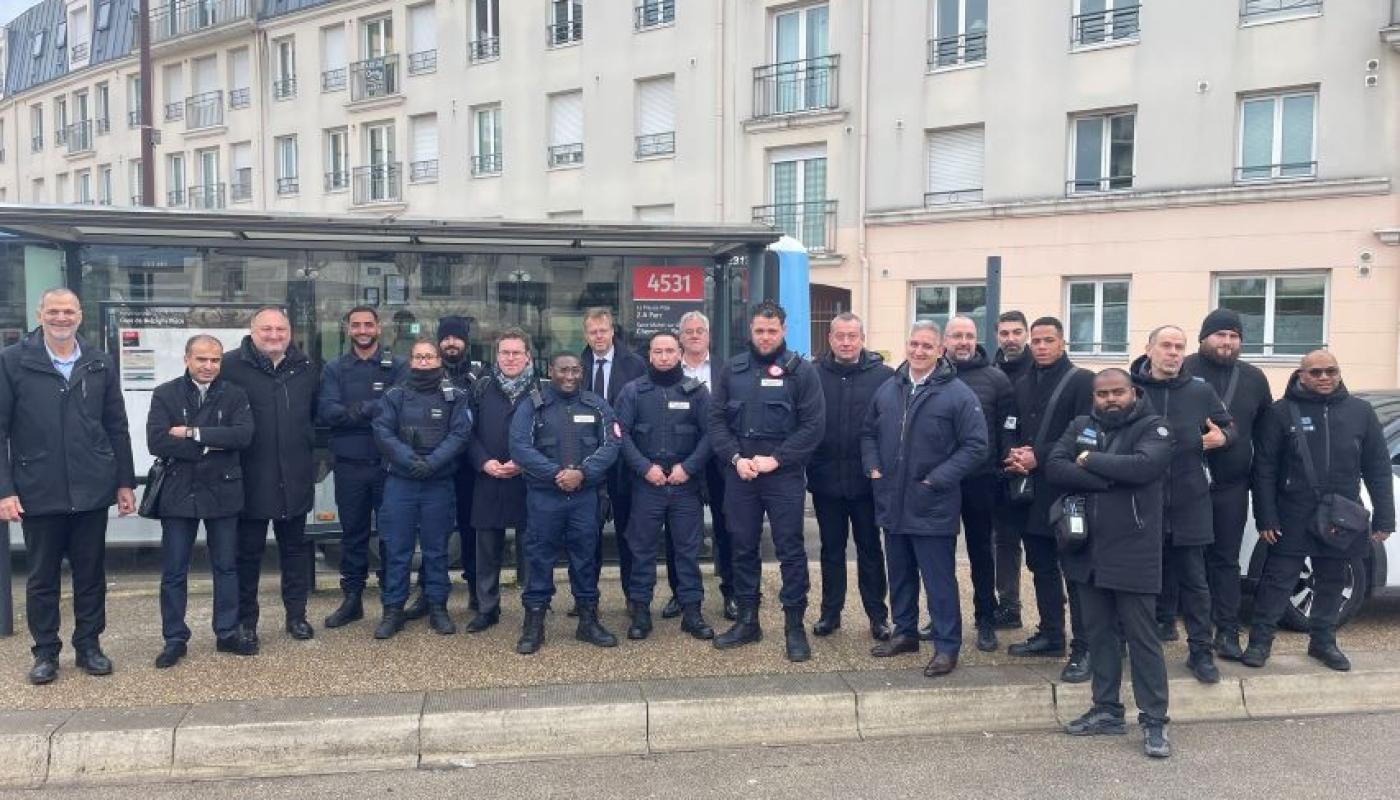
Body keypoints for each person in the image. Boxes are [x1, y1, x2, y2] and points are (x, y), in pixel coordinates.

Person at [0, 288, 136, 685]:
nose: (61, 318)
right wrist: (5, 489)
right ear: (39, 314)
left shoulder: (99, 361)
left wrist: (124, 482)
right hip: (38, 488)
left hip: (91, 488)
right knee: (42, 578)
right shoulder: (13, 361)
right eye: (54, 311)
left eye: (69, 311)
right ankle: (45, 652)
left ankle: (89, 646)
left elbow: (116, 426)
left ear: (80, 316)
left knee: (90, 575)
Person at [1045, 368, 1175, 759]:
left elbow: (1144, 467)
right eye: (1103, 394)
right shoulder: (1081, 424)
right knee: (1099, 635)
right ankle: (1106, 710)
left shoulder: (1155, 427)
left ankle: (1155, 720)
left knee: (1142, 640)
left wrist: (1087, 460)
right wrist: (1108, 479)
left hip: (1134, 550)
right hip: (1086, 550)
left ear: (1133, 392)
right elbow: (1054, 466)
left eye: (1118, 392)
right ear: (1094, 397)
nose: (1110, 399)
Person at [1245, 350, 1395, 671]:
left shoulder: (1361, 412)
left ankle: (1323, 642)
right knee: (1277, 582)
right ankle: (1259, 642)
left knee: (1333, 580)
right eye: (1315, 372)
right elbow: (1264, 470)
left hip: (1342, 515)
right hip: (1291, 513)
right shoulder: (1280, 412)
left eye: (1331, 371)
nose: (1324, 377)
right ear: (1301, 375)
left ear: (1339, 373)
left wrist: (1385, 517)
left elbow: (1378, 468)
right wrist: (1265, 516)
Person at [862, 321, 987, 677]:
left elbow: (976, 446)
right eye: (914, 344)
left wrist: (937, 479)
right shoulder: (889, 388)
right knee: (900, 574)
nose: (918, 351)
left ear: (940, 350)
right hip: (893, 499)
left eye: (927, 346)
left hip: (932, 503)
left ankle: (947, 647)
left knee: (938, 581)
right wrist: (872, 466)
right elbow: (868, 432)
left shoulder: (958, 394)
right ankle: (905, 633)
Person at [707, 301, 825, 662]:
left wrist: (777, 459)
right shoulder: (732, 370)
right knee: (742, 547)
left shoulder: (801, 372)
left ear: (783, 331)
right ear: (751, 330)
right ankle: (748, 621)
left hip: (783, 475)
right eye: (759, 330)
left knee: (790, 549)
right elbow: (716, 421)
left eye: (772, 331)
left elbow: (813, 426)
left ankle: (794, 626)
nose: (765, 336)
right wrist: (735, 458)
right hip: (741, 474)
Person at [1130, 325, 1235, 684]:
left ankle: (1200, 653)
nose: (1173, 352)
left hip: (1190, 500)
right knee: (1138, 582)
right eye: (1166, 345)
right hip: (1141, 502)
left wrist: (1222, 437)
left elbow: (1229, 428)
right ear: (1149, 349)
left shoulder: (1200, 391)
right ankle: (1137, 649)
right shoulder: (1132, 390)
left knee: (1195, 583)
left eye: (1179, 346)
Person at [148, 335, 257, 668]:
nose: (209, 366)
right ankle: (174, 638)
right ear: (187, 359)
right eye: (201, 359)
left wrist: (192, 433)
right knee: (174, 570)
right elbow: (157, 441)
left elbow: (243, 436)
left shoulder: (235, 394)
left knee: (226, 566)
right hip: (179, 491)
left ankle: (227, 632)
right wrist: (213, 445)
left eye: (215, 360)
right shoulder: (165, 393)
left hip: (223, 490)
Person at [510, 352, 622, 654]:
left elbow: (612, 444)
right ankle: (534, 624)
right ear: (551, 370)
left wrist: (581, 473)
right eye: (563, 370)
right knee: (539, 559)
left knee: (585, 559)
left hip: (584, 497)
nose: (569, 376)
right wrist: (556, 474)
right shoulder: (532, 405)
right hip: (545, 497)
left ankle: (588, 621)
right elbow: (519, 447)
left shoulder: (597, 405)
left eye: (575, 370)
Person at [1003, 317, 1095, 683]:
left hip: (1068, 491)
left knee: (1075, 573)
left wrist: (1038, 455)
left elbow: (1088, 433)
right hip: (1031, 493)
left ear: (1062, 342)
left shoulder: (1082, 381)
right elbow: (1011, 426)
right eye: (1037, 340)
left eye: (1048, 340)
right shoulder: (1023, 383)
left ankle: (1085, 647)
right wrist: (1013, 454)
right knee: (1040, 567)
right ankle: (1052, 634)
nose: (1041, 346)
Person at [223, 307, 320, 646]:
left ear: (290, 333)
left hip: (294, 477)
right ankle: (247, 622)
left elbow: (315, 418)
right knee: (247, 556)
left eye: (281, 329)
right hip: (249, 478)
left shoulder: (306, 367)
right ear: (252, 332)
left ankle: (297, 617)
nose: (274, 335)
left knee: (295, 553)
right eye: (267, 329)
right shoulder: (230, 366)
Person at [1182, 308, 1273, 661]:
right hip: (1185, 484)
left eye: (1234, 336)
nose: (1227, 342)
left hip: (1231, 487)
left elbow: (1265, 440)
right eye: (1220, 334)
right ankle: (1171, 624)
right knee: (1180, 557)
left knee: (1225, 561)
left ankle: (1227, 631)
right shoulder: (1182, 369)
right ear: (1203, 337)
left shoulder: (1254, 378)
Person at [615, 331, 715, 640]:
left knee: (687, 551)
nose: (663, 356)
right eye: (657, 351)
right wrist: (645, 468)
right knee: (641, 550)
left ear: (680, 353)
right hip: (647, 485)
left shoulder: (697, 392)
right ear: (650, 355)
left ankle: (692, 612)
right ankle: (641, 612)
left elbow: (711, 435)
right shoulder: (633, 392)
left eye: (669, 351)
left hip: (685, 485)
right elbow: (620, 435)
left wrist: (689, 468)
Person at [371, 339, 473, 639]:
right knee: (397, 549)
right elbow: (383, 432)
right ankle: (393, 611)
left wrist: (432, 463)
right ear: (411, 361)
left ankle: (438, 607)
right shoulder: (394, 395)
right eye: (419, 357)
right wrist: (410, 461)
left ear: (439, 360)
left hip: (437, 482)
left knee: (437, 550)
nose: (424, 361)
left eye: (429, 356)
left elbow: (460, 434)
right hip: (401, 482)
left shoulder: (456, 396)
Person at [318, 306, 407, 629]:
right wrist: (373, 409)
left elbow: (399, 408)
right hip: (349, 466)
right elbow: (328, 412)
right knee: (352, 536)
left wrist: (353, 411)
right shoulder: (334, 368)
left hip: (388, 466)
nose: (362, 330)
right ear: (348, 329)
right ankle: (352, 600)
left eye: (368, 324)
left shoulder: (399, 366)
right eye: (356, 325)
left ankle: (392, 604)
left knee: (391, 537)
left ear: (378, 328)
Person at [807, 312, 893, 641]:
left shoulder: (884, 377)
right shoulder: (813, 375)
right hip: (826, 479)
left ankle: (878, 616)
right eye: (840, 336)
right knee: (831, 550)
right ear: (829, 339)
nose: (846, 342)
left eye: (852, 336)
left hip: (867, 481)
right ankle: (830, 613)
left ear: (862, 339)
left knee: (870, 549)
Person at [944, 315, 1018, 652]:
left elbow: (1007, 428)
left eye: (969, 335)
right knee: (939, 554)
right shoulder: (933, 374)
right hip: (942, 480)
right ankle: (943, 617)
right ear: (945, 340)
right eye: (957, 335)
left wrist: (1003, 466)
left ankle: (985, 618)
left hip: (981, 479)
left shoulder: (996, 378)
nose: (963, 342)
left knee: (981, 553)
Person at [660, 310, 737, 621]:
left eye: (699, 331)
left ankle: (731, 592)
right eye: (688, 331)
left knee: (726, 528)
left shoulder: (726, 370)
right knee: (675, 532)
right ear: (680, 337)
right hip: (680, 463)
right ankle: (680, 593)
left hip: (719, 463)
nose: (693, 335)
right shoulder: (667, 368)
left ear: (708, 335)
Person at [463, 328, 539, 633]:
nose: (510, 358)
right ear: (497, 356)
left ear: (528, 356)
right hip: (488, 477)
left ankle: (533, 609)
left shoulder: (541, 390)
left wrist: (525, 462)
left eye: (516, 352)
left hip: (528, 480)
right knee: (486, 549)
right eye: (505, 352)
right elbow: (466, 432)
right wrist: (483, 461)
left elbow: (549, 433)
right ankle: (487, 609)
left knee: (531, 550)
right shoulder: (480, 388)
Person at [579, 309, 646, 608]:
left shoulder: (635, 365)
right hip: (588, 461)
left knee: (628, 534)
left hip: (624, 463)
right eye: (593, 332)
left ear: (612, 331)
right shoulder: (576, 366)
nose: (598, 337)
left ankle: (633, 596)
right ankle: (586, 598)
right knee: (586, 534)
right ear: (586, 334)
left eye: (603, 331)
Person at [992, 310, 1032, 631]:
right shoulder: (991, 371)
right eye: (1005, 333)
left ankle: (1054, 610)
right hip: (1001, 471)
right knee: (1004, 543)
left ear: (1026, 334)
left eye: (1016, 332)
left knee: (1043, 547)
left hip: (1036, 468)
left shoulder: (1040, 368)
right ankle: (1009, 606)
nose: (1011, 339)